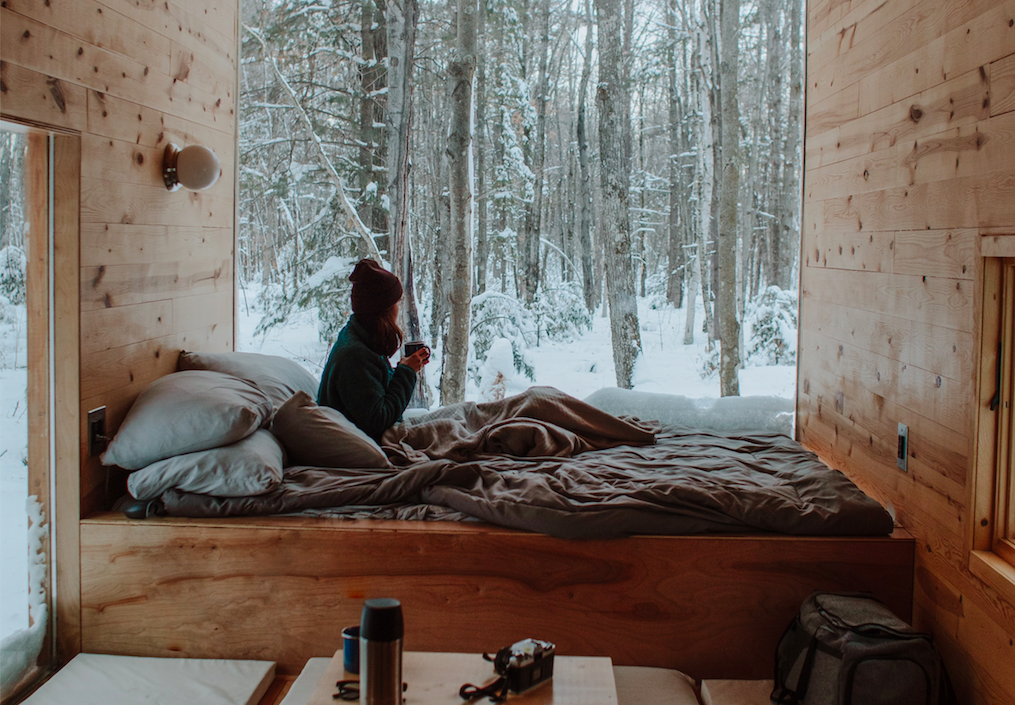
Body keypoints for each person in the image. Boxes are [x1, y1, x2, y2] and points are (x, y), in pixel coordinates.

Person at [318, 258, 430, 441]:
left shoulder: (359, 336)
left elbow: (370, 390)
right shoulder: (355, 357)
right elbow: (379, 419)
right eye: (396, 302)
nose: (398, 308)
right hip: (359, 442)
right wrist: (407, 373)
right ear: (383, 310)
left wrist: (403, 369)